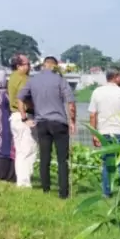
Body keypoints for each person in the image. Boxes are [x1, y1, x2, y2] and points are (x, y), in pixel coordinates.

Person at [17, 56, 76, 199]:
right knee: (62, 159)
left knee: (45, 157)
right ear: (55, 66)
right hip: (59, 122)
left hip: (41, 123)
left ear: (43, 66)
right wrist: (73, 121)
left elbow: (20, 98)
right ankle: (63, 192)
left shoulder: (33, 80)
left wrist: (24, 117)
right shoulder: (60, 80)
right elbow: (71, 104)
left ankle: (45, 189)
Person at [89, 67, 120, 197]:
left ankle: (106, 192)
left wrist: (94, 134)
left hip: (104, 133)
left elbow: (93, 115)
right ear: (116, 76)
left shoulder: (97, 92)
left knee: (108, 163)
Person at [8, 54, 38, 188]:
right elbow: (24, 98)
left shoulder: (12, 77)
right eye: (27, 64)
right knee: (28, 150)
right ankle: (24, 182)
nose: (29, 66)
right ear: (19, 66)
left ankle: (21, 180)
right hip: (23, 115)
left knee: (20, 151)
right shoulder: (23, 79)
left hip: (14, 116)